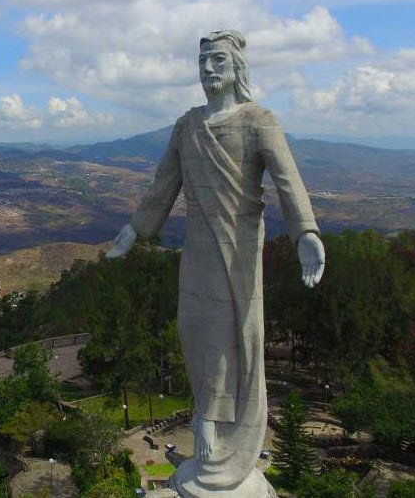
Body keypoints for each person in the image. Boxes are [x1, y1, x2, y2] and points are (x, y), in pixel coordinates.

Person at [106, 30, 325, 496]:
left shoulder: (257, 121)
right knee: (195, 330)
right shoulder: (188, 126)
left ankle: (217, 430)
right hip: (199, 251)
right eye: (203, 61)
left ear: (236, 67)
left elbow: (289, 182)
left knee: (235, 339)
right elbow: (164, 185)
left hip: (241, 251)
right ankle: (208, 418)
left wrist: (305, 231)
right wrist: (134, 231)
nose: (208, 69)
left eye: (218, 60)